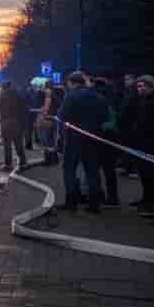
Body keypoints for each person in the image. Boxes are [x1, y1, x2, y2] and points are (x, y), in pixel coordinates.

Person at [120, 75, 154, 225]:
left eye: (144, 86)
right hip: (139, 144)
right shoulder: (140, 101)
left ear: (151, 87)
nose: (140, 89)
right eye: (138, 86)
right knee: (144, 175)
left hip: (152, 146)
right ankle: (148, 201)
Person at [56, 72, 107, 213]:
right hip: (93, 138)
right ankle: (94, 204)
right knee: (92, 170)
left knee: (69, 169)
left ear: (72, 83)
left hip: (73, 138)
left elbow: (61, 115)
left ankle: (71, 202)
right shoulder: (98, 96)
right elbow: (105, 116)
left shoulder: (71, 96)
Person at [92, 77, 121, 207]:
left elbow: (111, 122)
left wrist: (98, 127)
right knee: (109, 170)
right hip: (109, 139)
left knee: (100, 169)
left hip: (103, 138)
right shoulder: (111, 99)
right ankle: (111, 197)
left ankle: (103, 196)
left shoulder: (102, 100)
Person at [0, 80, 29, 171]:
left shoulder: (2, 96)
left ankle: (8, 165)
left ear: (4, 88)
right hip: (17, 123)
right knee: (18, 143)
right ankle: (23, 162)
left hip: (6, 123)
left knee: (7, 145)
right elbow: (24, 110)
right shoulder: (19, 96)